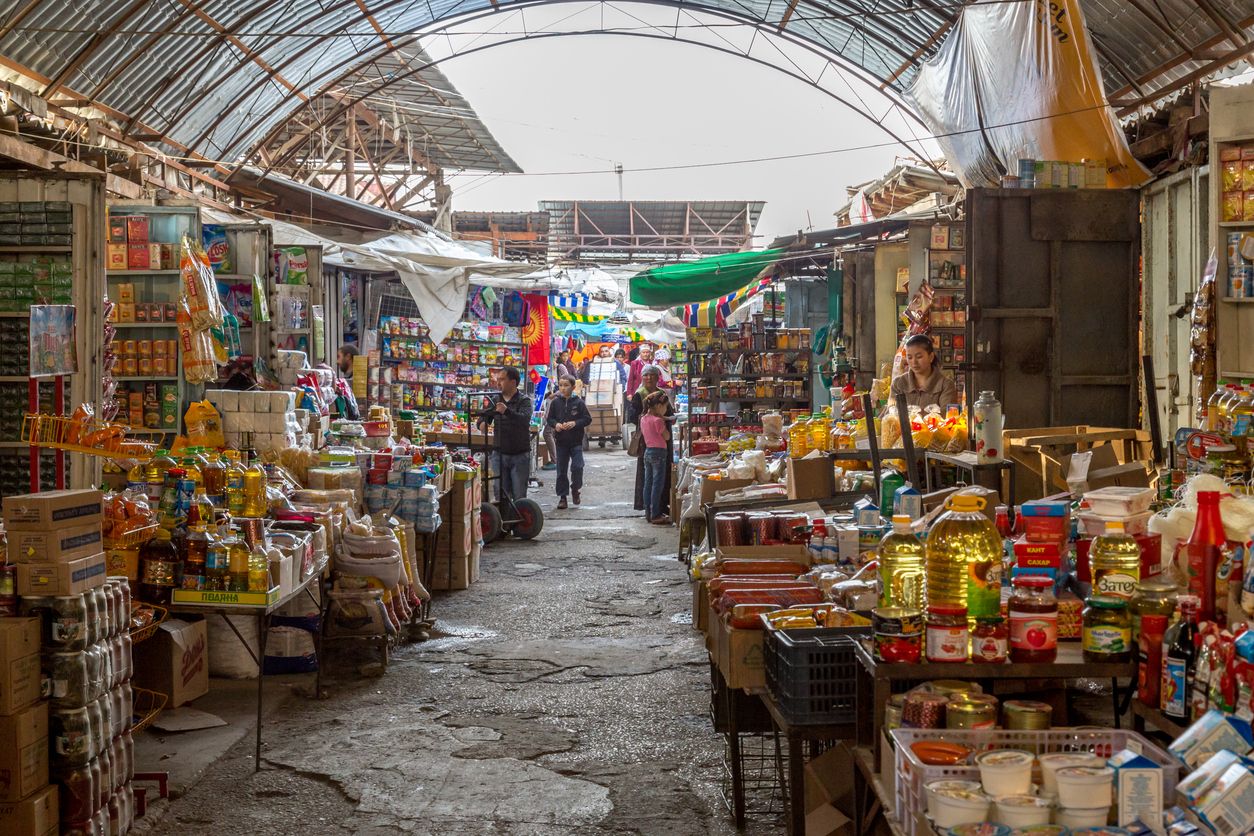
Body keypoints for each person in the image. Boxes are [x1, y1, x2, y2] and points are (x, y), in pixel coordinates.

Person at [476, 367, 533, 502]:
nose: (498, 383)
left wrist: (506, 411)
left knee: (519, 495)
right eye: (498, 379)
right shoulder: (495, 400)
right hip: (499, 454)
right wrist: (482, 423)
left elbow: (524, 419)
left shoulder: (524, 400)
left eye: (502, 379)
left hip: (519, 455)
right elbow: (483, 418)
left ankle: (518, 522)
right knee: (500, 494)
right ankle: (504, 522)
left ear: (513, 382)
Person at [628, 365, 673, 514]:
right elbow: (632, 416)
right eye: (646, 375)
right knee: (650, 477)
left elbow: (670, 411)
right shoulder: (639, 394)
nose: (649, 378)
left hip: (661, 439)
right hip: (648, 440)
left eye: (652, 375)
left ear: (657, 377)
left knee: (658, 476)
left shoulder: (661, 393)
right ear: (642, 377)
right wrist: (652, 420)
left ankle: (659, 505)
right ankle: (652, 509)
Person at [546, 374, 592, 509]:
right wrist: (556, 425)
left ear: (573, 387)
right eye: (560, 385)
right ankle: (562, 497)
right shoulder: (555, 402)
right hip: (561, 442)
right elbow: (550, 419)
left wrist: (575, 423)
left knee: (578, 467)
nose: (563, 388)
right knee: (561, 471)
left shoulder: (579, 403)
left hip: (576, 442)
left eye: (566, 385)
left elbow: (587, 419)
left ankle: (575, 488)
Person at [890, 334, 960, 410]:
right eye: (909, 357)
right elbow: (893, 413)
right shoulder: (898, 383)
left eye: (919, 357)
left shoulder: (946, 385)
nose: (914, 362)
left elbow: (947, 416)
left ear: (931, 357)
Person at [640, 391, 672, 525]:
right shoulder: (658, 420)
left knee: (648, 484)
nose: (665, 410)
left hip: (648, 452)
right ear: (659, 406)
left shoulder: (643, 418)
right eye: (665, 407)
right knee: (657, 485)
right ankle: (656, 514)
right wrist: (664, 423)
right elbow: (667, 437)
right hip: (659, 453)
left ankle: (648, 512)